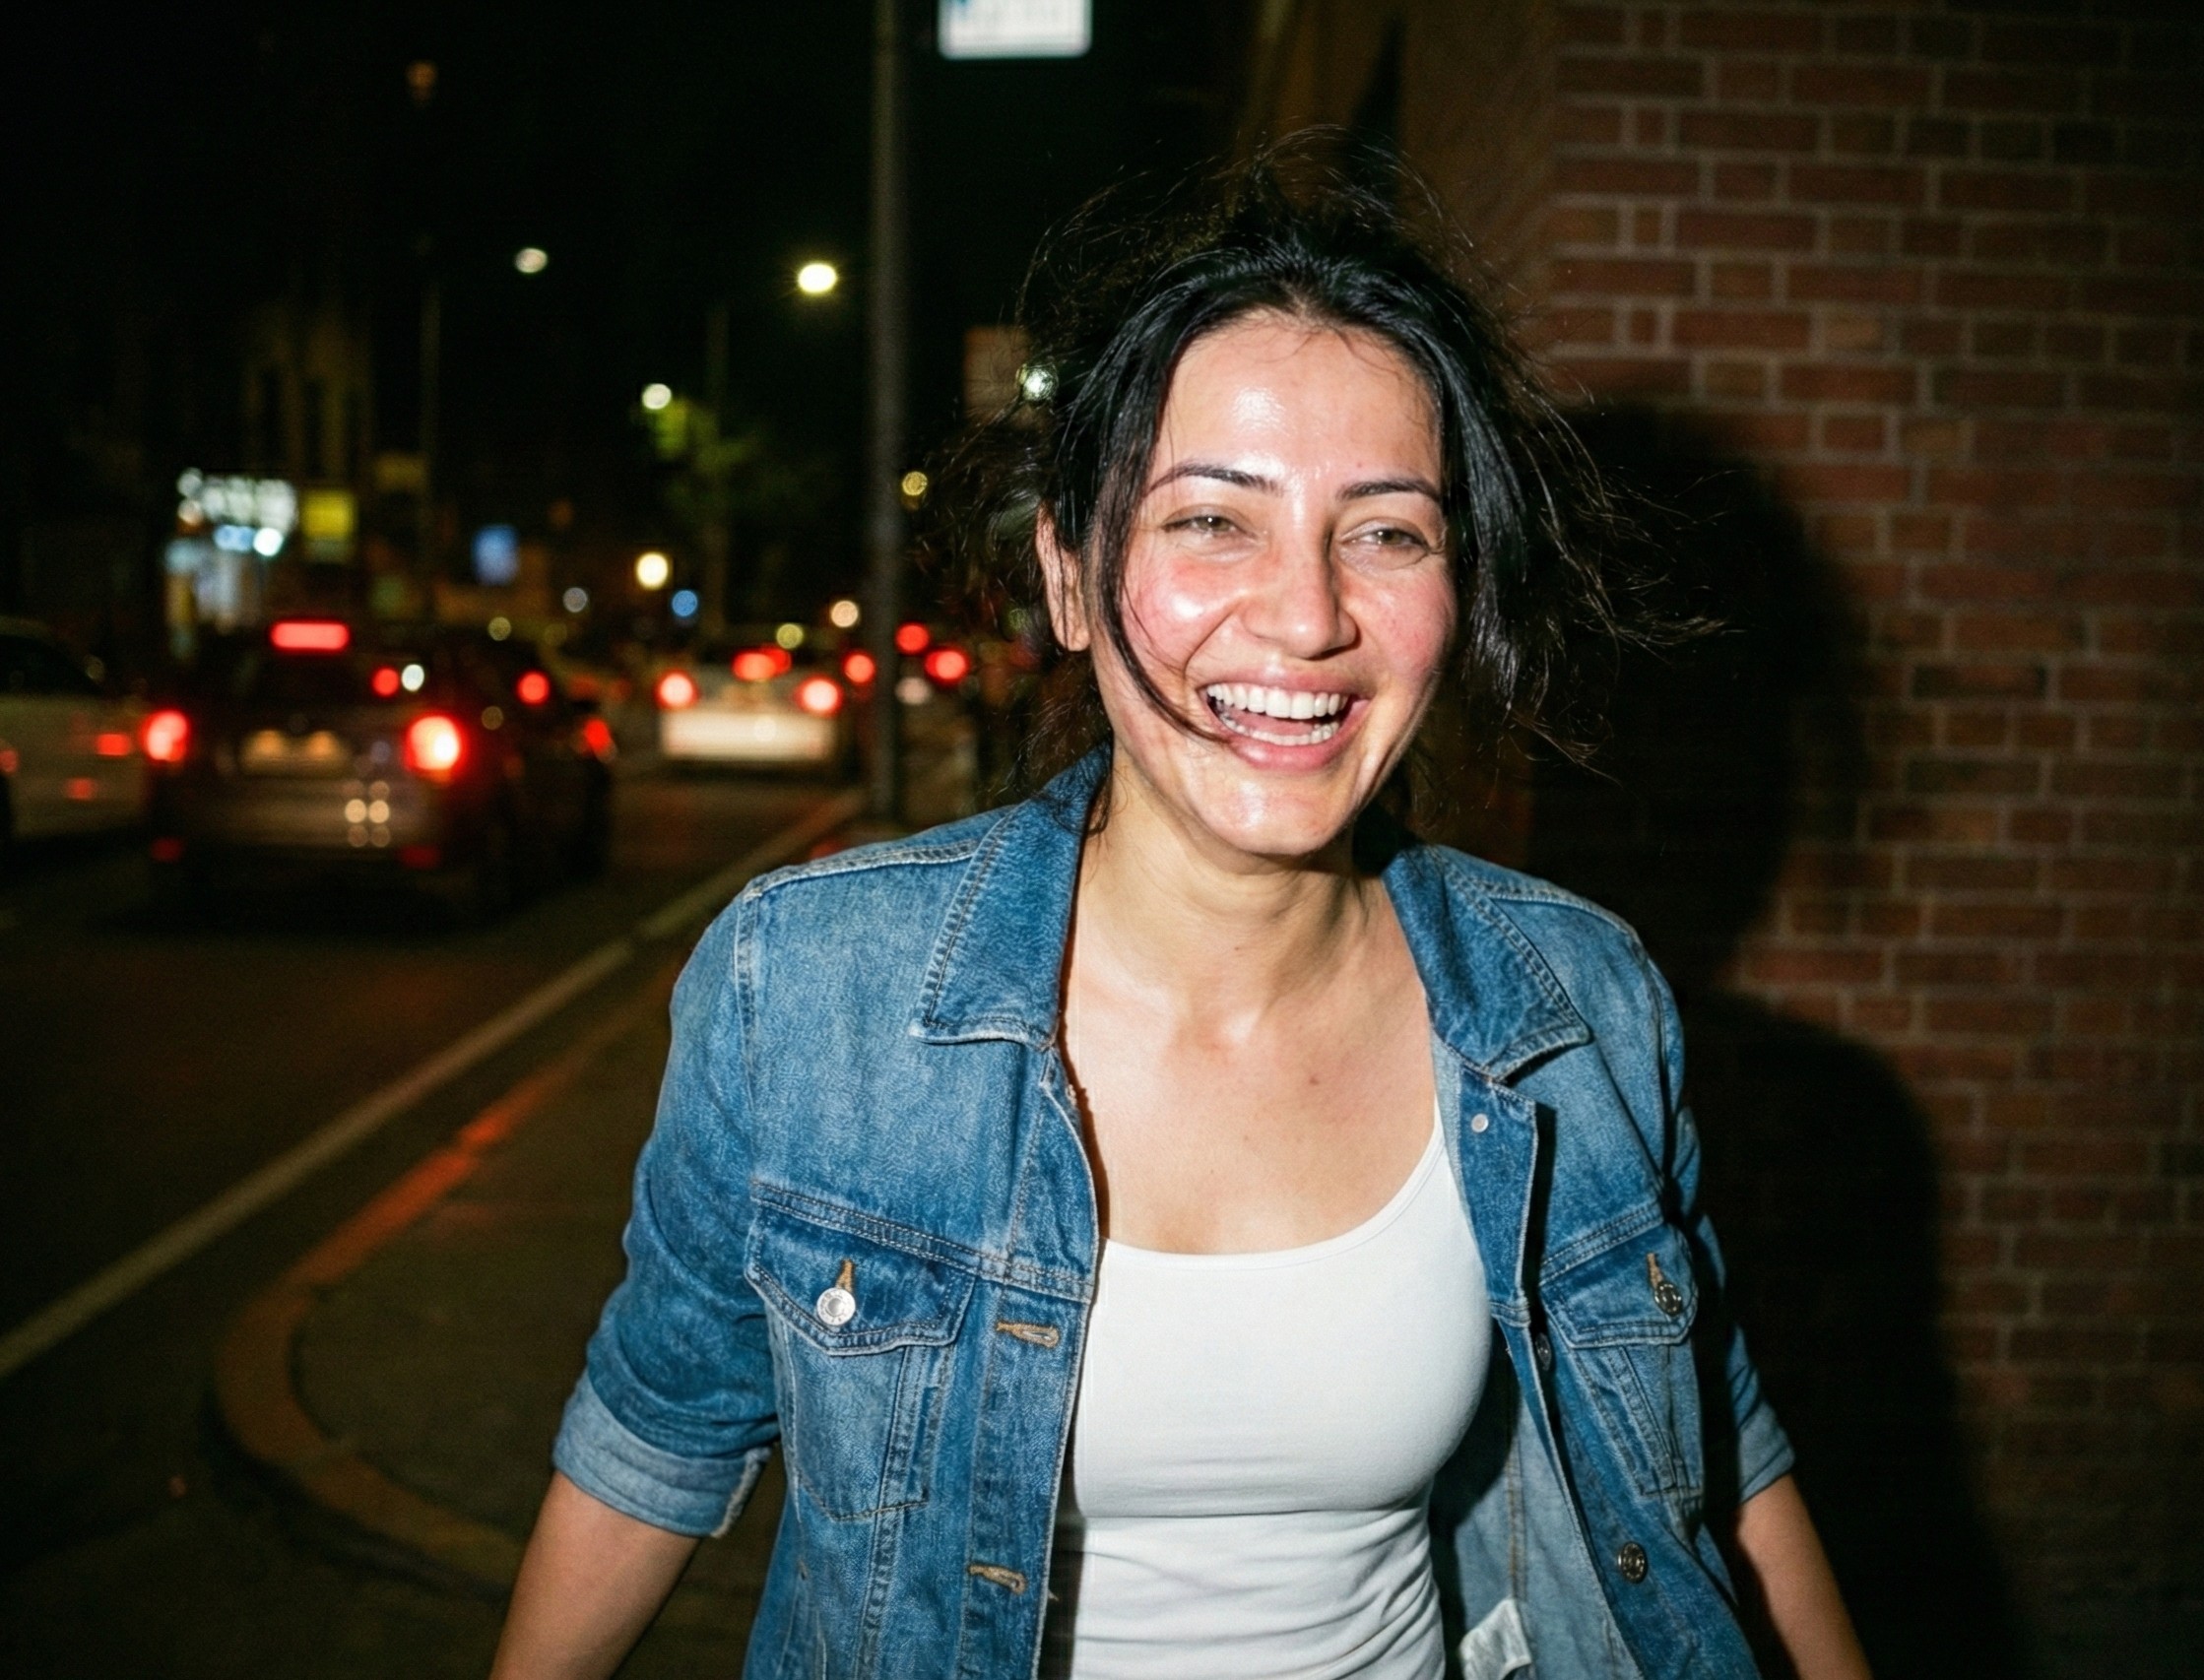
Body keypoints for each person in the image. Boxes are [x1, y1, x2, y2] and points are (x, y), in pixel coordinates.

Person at [491, 151, 1870, 1680]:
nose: (1307, 615)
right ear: (1069, 576)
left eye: (1388, 531)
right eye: (1213, 519)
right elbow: (656, 1438)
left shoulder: (1575, 1002)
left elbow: (1716, 1448)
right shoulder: (811, 988)